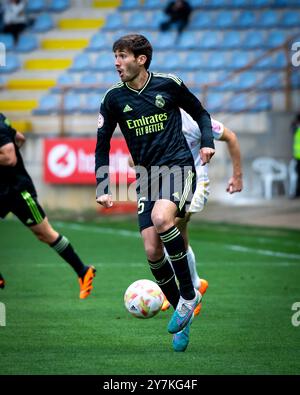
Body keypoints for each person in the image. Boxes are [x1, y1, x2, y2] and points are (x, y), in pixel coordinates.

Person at [95, 34, 215, 352]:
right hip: (148, 177)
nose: (116, 62)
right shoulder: (112, 99)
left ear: (141, 59)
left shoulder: (169, 84)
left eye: (122, 56)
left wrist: (207, 142)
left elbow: (201, 114)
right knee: (151, 251)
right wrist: (103, 186)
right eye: (115, 56)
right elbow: (102, 144)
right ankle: (182, 313)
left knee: (163, 219)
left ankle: (189, 295)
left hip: (178, 167)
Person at [0, 113, 96, 298]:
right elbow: (20, 137)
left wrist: (13, 168)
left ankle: (83, 270)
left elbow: (10, 158)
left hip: (18, 192)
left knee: (45, 234)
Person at [160, 109, 243, 315]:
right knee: (171, 234)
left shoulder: (195, 122)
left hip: (196, 183)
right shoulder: (156, 121)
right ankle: (195, 284)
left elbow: (231, 137)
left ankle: (187, 292)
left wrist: (237, 176)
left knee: (172, 225)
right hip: (171, 182)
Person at [291, 112, 300, 198]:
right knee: (298, 175)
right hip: (297, 157)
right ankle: (297, 192)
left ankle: (297, 192)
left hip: (297, 156)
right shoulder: (296, 128)